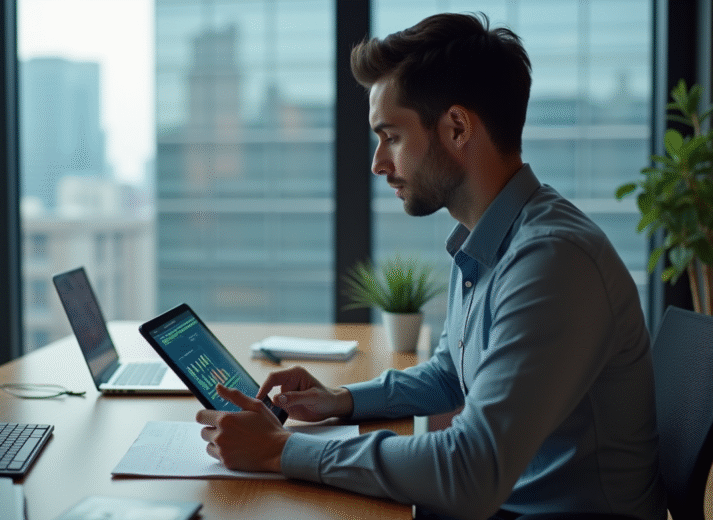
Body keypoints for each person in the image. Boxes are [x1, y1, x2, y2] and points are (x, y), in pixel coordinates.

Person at [196, 12, 666, 520]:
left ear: (457, 128)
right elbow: (450, 373)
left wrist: (280, 450)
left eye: (391, 136)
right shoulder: (488, 240)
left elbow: (470, 471)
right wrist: (341, 400)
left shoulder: (551, 262)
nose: (378, 163)